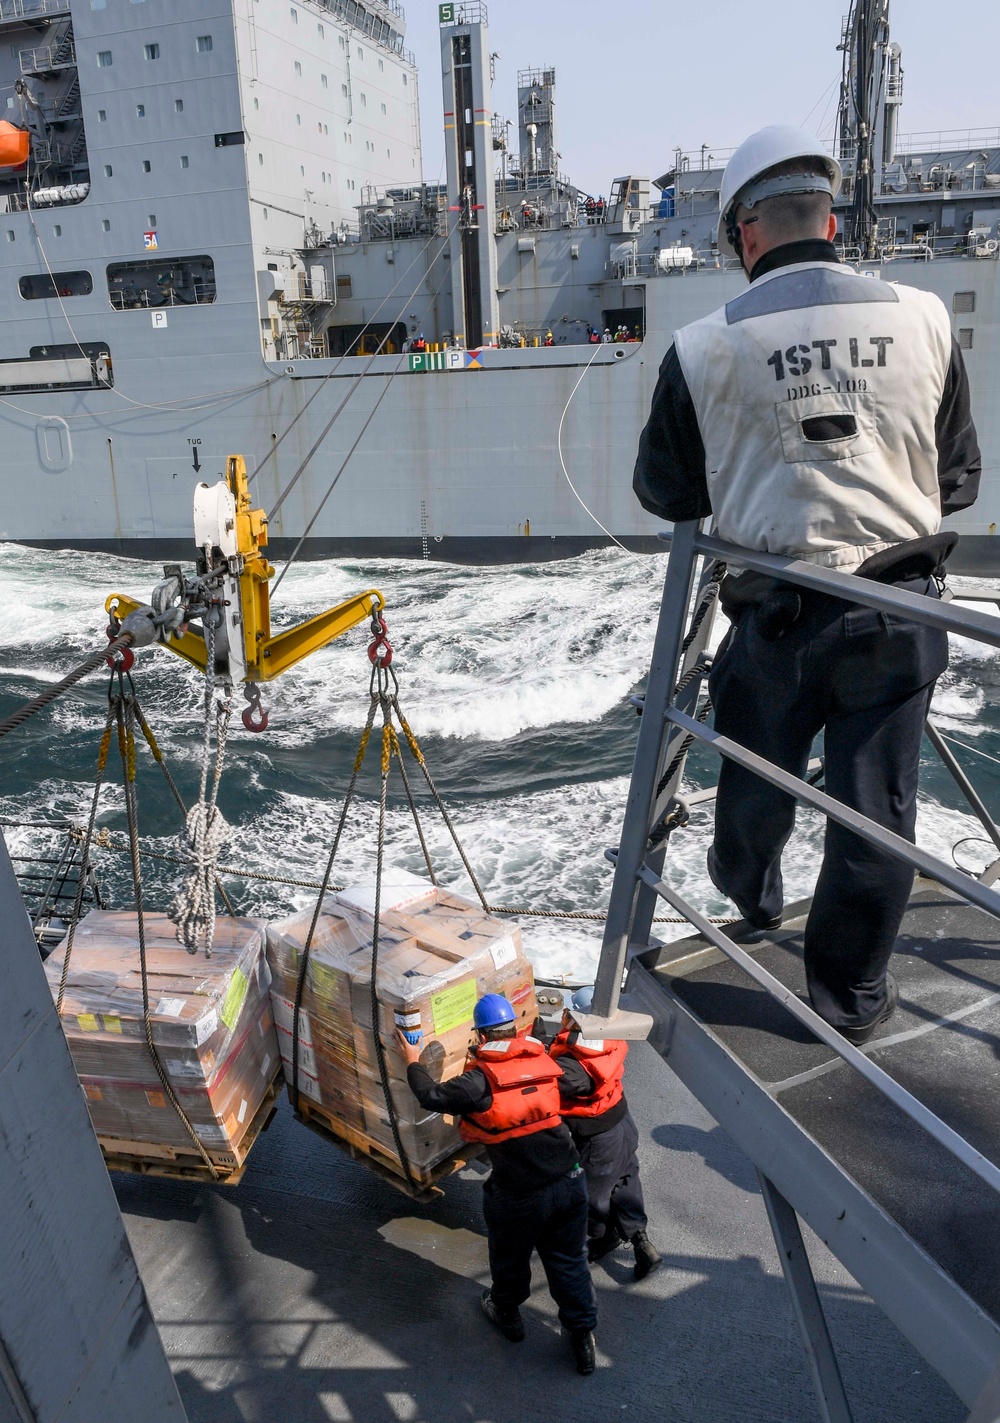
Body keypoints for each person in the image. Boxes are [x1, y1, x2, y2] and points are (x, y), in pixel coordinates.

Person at [632, 124, 981, 1046]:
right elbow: (959, 476)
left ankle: (752, 895)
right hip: (896, 613)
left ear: (746, 231)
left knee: (753, 792)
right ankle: (850, 998)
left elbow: (665, 491)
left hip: (774, 618)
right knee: (877, 814)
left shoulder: (701, 346)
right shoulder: (925, 315)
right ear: (828, 215)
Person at [396, 993, 598, 1374]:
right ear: (513, 1029)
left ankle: (506, 1312)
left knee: (510, 1257)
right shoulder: (542, 1058)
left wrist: (412, 1058)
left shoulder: (478, 1082)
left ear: (481, 1035)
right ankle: (583, 1336)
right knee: (569, 1260)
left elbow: (430, 1095)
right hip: (569, 1180)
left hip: (520, 1193)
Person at [546, 987, 661, 1280]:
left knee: (592, 1195)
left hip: (598, 1139)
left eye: (570, 1012)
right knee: (626, 1179)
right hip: (623, 1122)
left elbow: (553, 1085)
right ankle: (641, 1241)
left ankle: (602, 1236)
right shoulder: (608, 1040)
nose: (564, 1014)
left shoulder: (572, 1068)